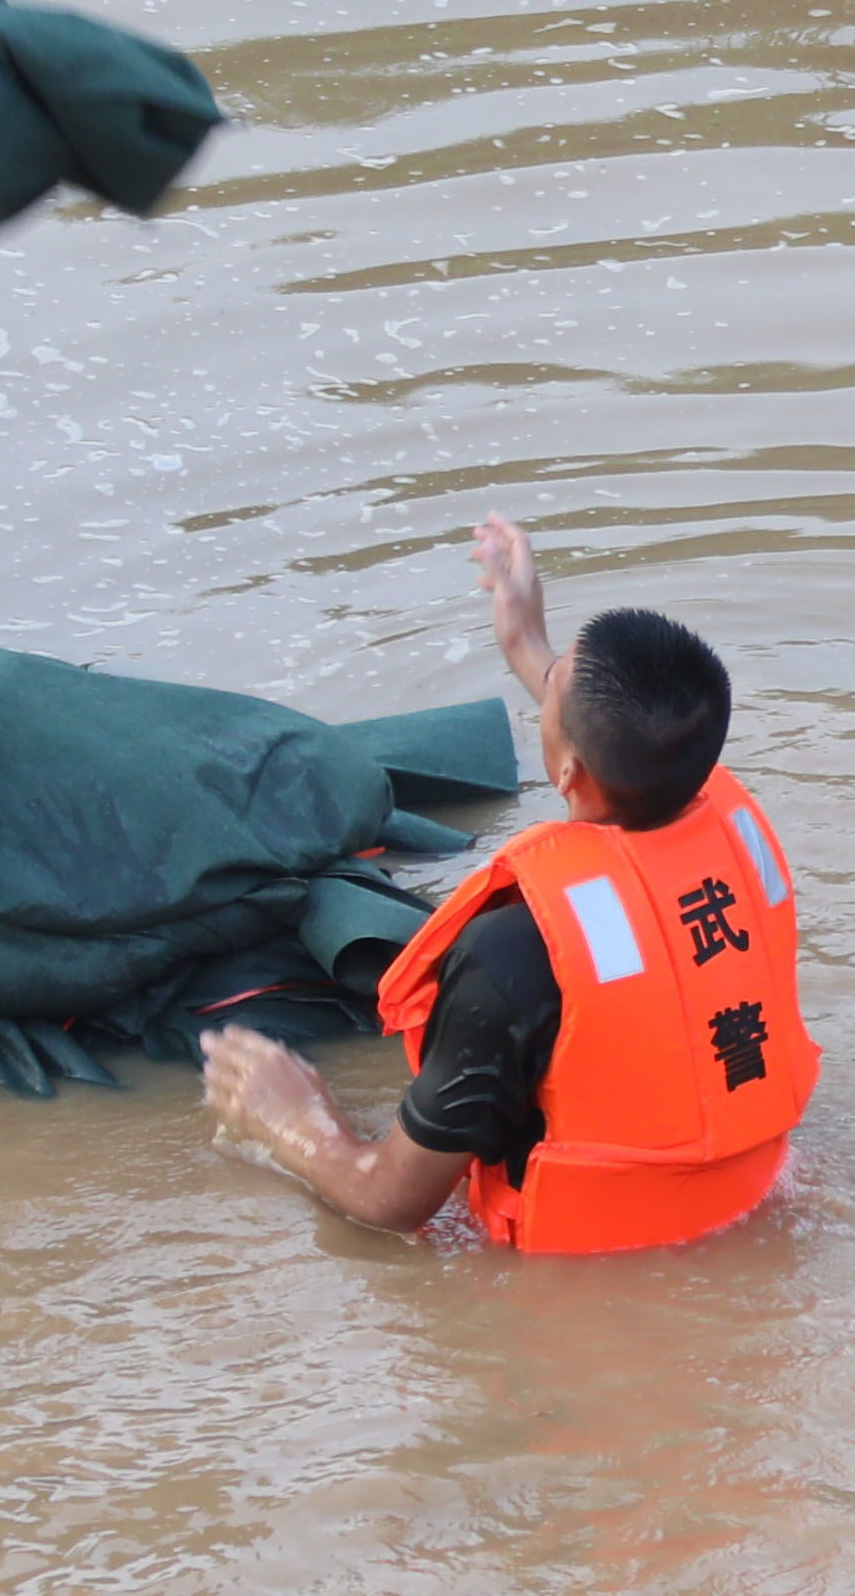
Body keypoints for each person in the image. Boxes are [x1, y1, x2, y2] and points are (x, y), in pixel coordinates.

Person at [199, 517, 816, 1249]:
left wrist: (293, 1120)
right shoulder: (729, 825)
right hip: (753, 1189)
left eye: (551, 684)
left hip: (590, 1274)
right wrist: (526, 640)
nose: (546, 677)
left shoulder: (514, 952)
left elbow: (391, 1201)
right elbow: (622, 749)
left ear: (567, 773)